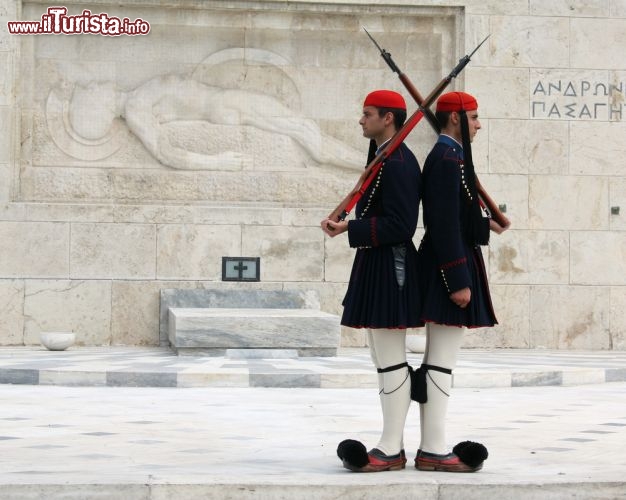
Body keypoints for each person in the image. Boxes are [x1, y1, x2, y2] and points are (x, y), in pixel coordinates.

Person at [321, 89, 422, 472]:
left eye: (368, 114)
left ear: (388, 119)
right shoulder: (383, 156)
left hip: (390, 265)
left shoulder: (398, 162)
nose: (361, 120)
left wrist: (352, 227)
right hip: (377, 262)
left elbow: (401, 225)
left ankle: (391, 447)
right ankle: (390, 443)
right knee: (381, 358)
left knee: (392, 360)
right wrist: (350, 226)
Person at [414, 91, 505, 473]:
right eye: (474, 118)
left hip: (453, 260)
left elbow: (459, 215)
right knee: (441, 362)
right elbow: (443, 224)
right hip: (448, 265)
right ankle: (433, 449)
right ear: (455, 119)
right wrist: (457, 279)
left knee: (439, 360)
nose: (479, 125)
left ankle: (430, 446)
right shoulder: (448, 158)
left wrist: (489, 224)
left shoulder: (452, 157)